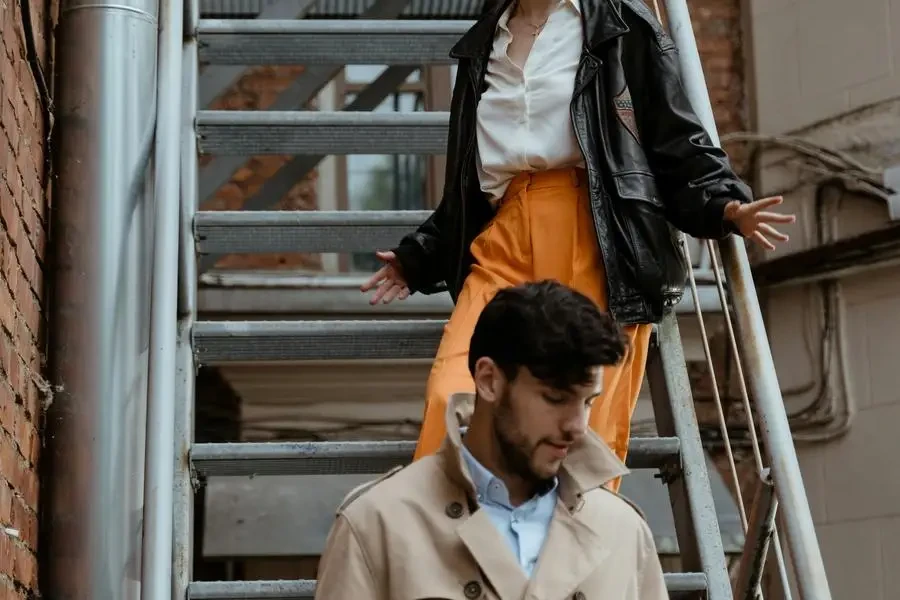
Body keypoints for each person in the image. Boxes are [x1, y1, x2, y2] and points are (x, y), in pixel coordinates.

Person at [360, 0, 796, 483]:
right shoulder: (486, 41)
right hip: (505, 237)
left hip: (599, 240)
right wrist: (419, 256)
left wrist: (725, 204)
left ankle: (568, 555)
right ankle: (449, 549)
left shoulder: (621, 25)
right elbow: (468, 179)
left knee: (578, 437)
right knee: (454, 396)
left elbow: (675, 139)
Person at [316, 281, 669, 599]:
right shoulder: (378, 523)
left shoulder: (622, 530)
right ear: (488, 380)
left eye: (588, 401)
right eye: (556, 398)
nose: (577, 427)